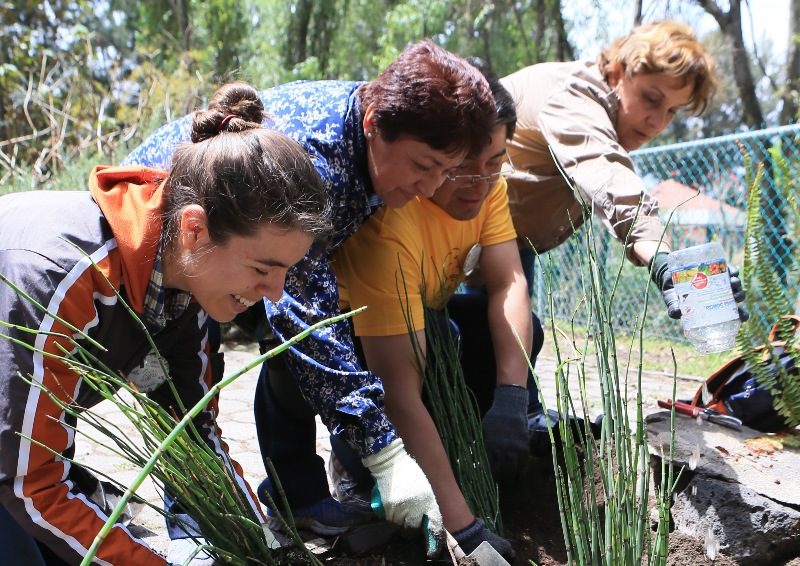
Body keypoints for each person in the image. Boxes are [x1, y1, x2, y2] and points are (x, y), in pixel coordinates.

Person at [121, 40, 498, 557]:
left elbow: (302, 312)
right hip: (176, 257)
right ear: (373, 125)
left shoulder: (370, 144)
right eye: (423, 164)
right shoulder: (318, 159)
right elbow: (306, 322)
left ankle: (294, 496)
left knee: (298, 341)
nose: (432, 186)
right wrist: (385, 455)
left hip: (239, 261)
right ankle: (197, 529)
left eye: (445, 170)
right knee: (187, 393)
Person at [0, 82, 331, 565]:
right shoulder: (62, 280)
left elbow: (195, 434)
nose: (276, 294)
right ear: (195, 228)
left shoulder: (186, 287)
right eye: (263, 269)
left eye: (287, 271)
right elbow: (32, 484)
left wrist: (261, 547)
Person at [327, 59, 540, 561]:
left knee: (509, 334)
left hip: (427, 316)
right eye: (465, 167)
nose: (481, 182)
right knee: (423, 357)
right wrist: (464, 529)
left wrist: (512, 395)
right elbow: (399, 388)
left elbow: (508, 279)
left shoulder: (486, 183)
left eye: (496, 162)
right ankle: (364, 475)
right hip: (358, 333)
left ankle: (462, 462)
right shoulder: (393, 214)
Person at [471, 20, 746, 318]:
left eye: (671, 111)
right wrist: (665, 264)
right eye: (651, 99)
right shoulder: (574, 98)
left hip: (505, 244)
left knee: (510, 348)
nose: (658, 122)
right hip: (446, 231)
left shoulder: (610, 118)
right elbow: (609, 178)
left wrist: (677, 268)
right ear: (616, 72)